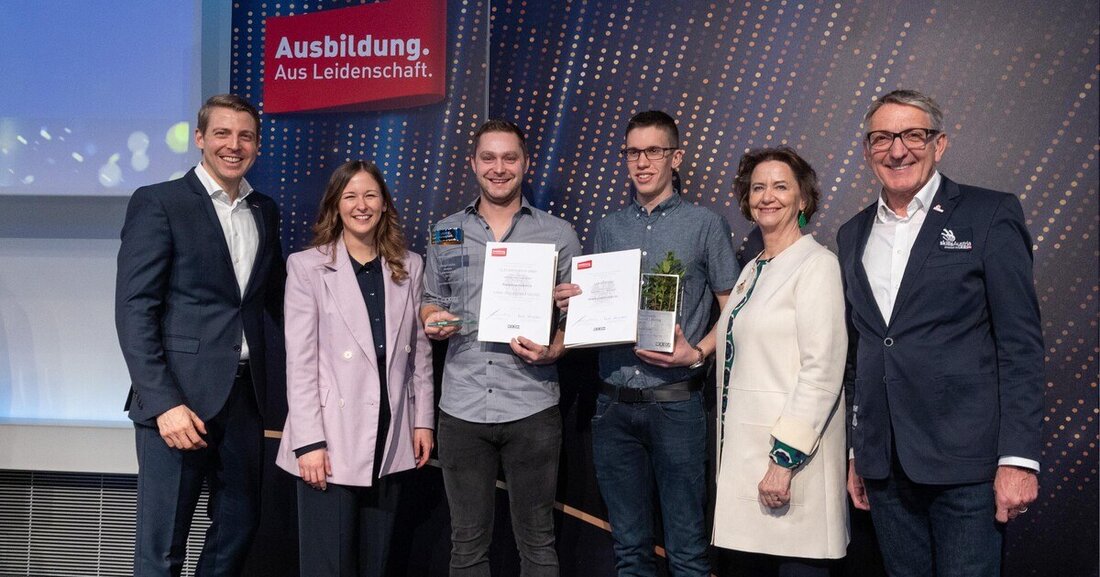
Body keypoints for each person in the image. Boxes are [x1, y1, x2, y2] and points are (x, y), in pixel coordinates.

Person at [838, 89, 1044, 577]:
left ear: (940, 144)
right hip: (885, 466)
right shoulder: (852, 233)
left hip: (967, 467)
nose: (898, 149)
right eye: (883, 137)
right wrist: (858, 449)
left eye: (913, 135)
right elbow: (862, 349)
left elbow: (1020, 346)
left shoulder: (988, 214)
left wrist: (1019, 459)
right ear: (867, 150)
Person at [554, 110, 737, 577]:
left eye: (653, 151)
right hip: (613, 407)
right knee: (629, 553)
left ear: (675, 157)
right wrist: (572, 308)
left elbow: (736, 309)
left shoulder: (705, 224)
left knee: (688, 552)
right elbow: (596, 309)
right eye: (633, 152)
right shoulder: (609, 226)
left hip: (676, 404)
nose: (642, 162)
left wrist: (698, 353)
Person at [115, 94, 286, 576]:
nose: (234, 145)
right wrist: (163, 403)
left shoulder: (264, 210)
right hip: (178, 400)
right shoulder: (159, 202)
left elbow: (272, 301)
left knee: (238, 528)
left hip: (245, 399)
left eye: (246, 136)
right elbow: (134, 310)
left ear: (256, 144)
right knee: (163, 545)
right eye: (223, 134)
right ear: (200, 139)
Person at [421, 120, 582, 576]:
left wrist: (555, 349)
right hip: (462, 407)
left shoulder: (558, 233)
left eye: (509, 158)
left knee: (537, 543)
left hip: (531, 405)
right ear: (473, 164)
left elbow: (578, 319)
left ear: (525, 164)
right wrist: (432, 320)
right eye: (488, 158)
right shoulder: (444, 232)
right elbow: (430, 300)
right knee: (467, 545)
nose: (499, 168)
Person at [274, 160, 435, 576]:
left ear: (384, 205)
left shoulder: (410, 265)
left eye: (370, 195)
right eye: (350, 196)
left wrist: (423, 423)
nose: (361, 205)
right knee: (329, 566)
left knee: (376, 565)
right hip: (330, 439)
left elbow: (419, 353)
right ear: (336, 205)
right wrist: (308, 443)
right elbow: (301, 361)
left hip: (390, 433)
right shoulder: (306, 267)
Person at [711, 147, 848, 576]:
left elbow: (821, 371)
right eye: (757, 187)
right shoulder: (753, 268)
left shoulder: (817, 266)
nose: (767, 196)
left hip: (790, 470)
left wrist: (783, 460)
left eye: (780, 186)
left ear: (803, 199)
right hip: (747, 470)